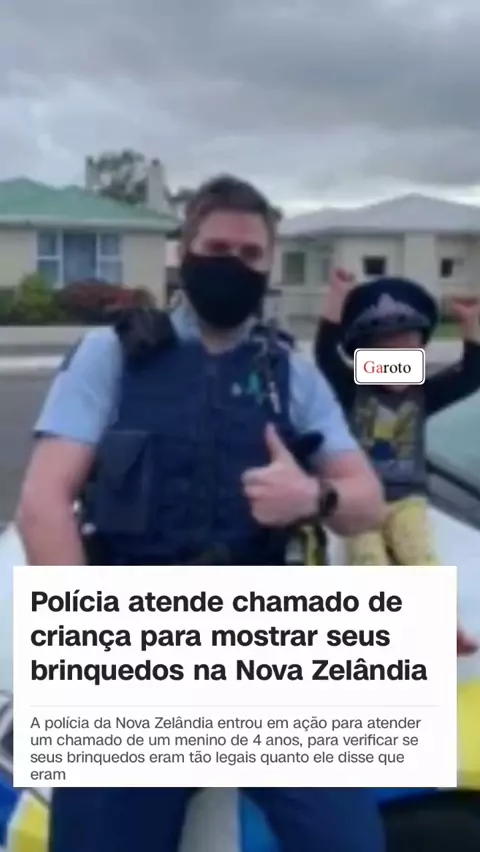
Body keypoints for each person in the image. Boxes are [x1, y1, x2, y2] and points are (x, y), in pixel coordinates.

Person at [17, 175, 386, 852]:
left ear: (269, 266)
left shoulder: (291, 373)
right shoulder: (113, 355)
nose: (233, 265)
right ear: (183, 253)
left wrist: (314, 497)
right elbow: (42, 503)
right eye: (217, 249)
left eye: (251, 254)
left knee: (346, 838)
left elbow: (367, 502)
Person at [314, 268, 480, 655]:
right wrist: (338, 294)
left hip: (408, 499)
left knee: (419, 554)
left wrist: (470, 325)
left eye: (408, 349)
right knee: (368, 560)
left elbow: (471, 375)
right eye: (384, 351)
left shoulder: (424, 394)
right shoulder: (352, 388)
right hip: (360, 500)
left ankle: (444, 626)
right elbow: (325, 352)